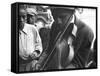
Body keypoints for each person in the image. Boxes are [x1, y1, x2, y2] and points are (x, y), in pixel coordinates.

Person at [19, 7, 43, 71]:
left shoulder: (34, 28)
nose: (21, 20)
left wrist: (36, 52)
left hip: (32, 64)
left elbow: (39, 45)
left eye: (31, 16)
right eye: (28, 16)